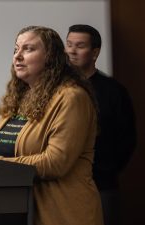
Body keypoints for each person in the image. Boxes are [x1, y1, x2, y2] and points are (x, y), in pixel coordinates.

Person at [0, 26, 103, 225]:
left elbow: (54, 163)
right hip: (22, 211)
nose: (18, 56)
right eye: (16, 49)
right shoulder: (19, 98)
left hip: (64, 214)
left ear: (50, 56)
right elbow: (1, 150)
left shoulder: (72, 97)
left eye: (28, 49)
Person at [65, 24, 137, 225]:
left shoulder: (113, 91)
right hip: (63, 185)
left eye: (80, 46)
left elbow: (127, 139)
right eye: (69, 44)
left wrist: (106, 170)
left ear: (95, 52)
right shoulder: (57, 87)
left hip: (101, 184)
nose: (71, 50)